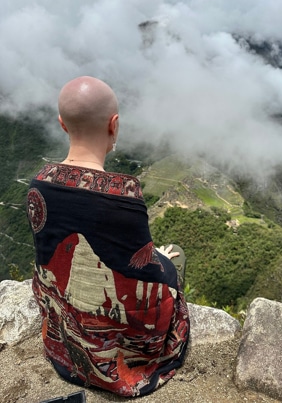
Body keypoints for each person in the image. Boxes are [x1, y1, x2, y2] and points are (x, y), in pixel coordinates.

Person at [27, 76, 190, 397]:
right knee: (174, 260)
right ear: (114, 125)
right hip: (121, 333)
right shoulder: (124, 196)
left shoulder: (39, 183)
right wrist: (162, 261)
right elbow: (140, 271)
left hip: (63, 321)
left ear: (62, 125)